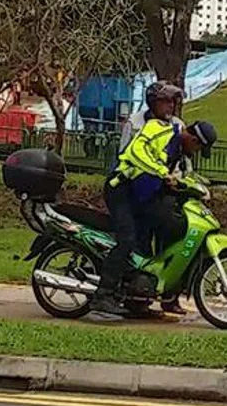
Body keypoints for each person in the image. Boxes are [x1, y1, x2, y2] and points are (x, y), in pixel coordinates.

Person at [90, 115, 218, 321]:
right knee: (127, 239)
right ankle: (102, 295)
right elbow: (136, 151)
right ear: (192, 139)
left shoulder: (179, 154)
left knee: (148, 244)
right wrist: (161, 172)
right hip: (121, 190)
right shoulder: (159, 129)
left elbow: (180, 178)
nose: (195, 154)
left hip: (142, 196)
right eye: (197, 148)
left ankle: (136, 302)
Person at [118, 82, 193, 315]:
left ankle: (170, 296)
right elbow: (126, 154)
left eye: (172, 102)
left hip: (170, 190)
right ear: (153, 102)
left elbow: (184, 158)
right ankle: (137, 298)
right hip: (142, 190)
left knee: (171, 242)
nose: (170, 106)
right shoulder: (135, 123)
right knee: (141, 241)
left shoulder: (177, 125)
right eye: (165, 101)